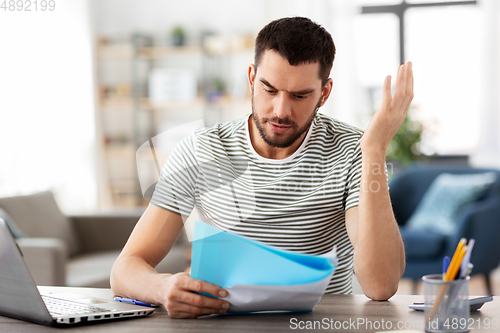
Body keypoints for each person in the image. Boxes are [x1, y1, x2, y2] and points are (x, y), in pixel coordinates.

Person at [111, 17, 412, 319]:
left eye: (299, 95)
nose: (281, 111)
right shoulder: (200, 150)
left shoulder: (352, 150)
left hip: (316, 325)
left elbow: (380, 285)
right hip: (222, 324)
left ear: (324, 93)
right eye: (269, 90)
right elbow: (125, 268)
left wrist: (374, 150)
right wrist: (162, 287)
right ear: (252, 78)